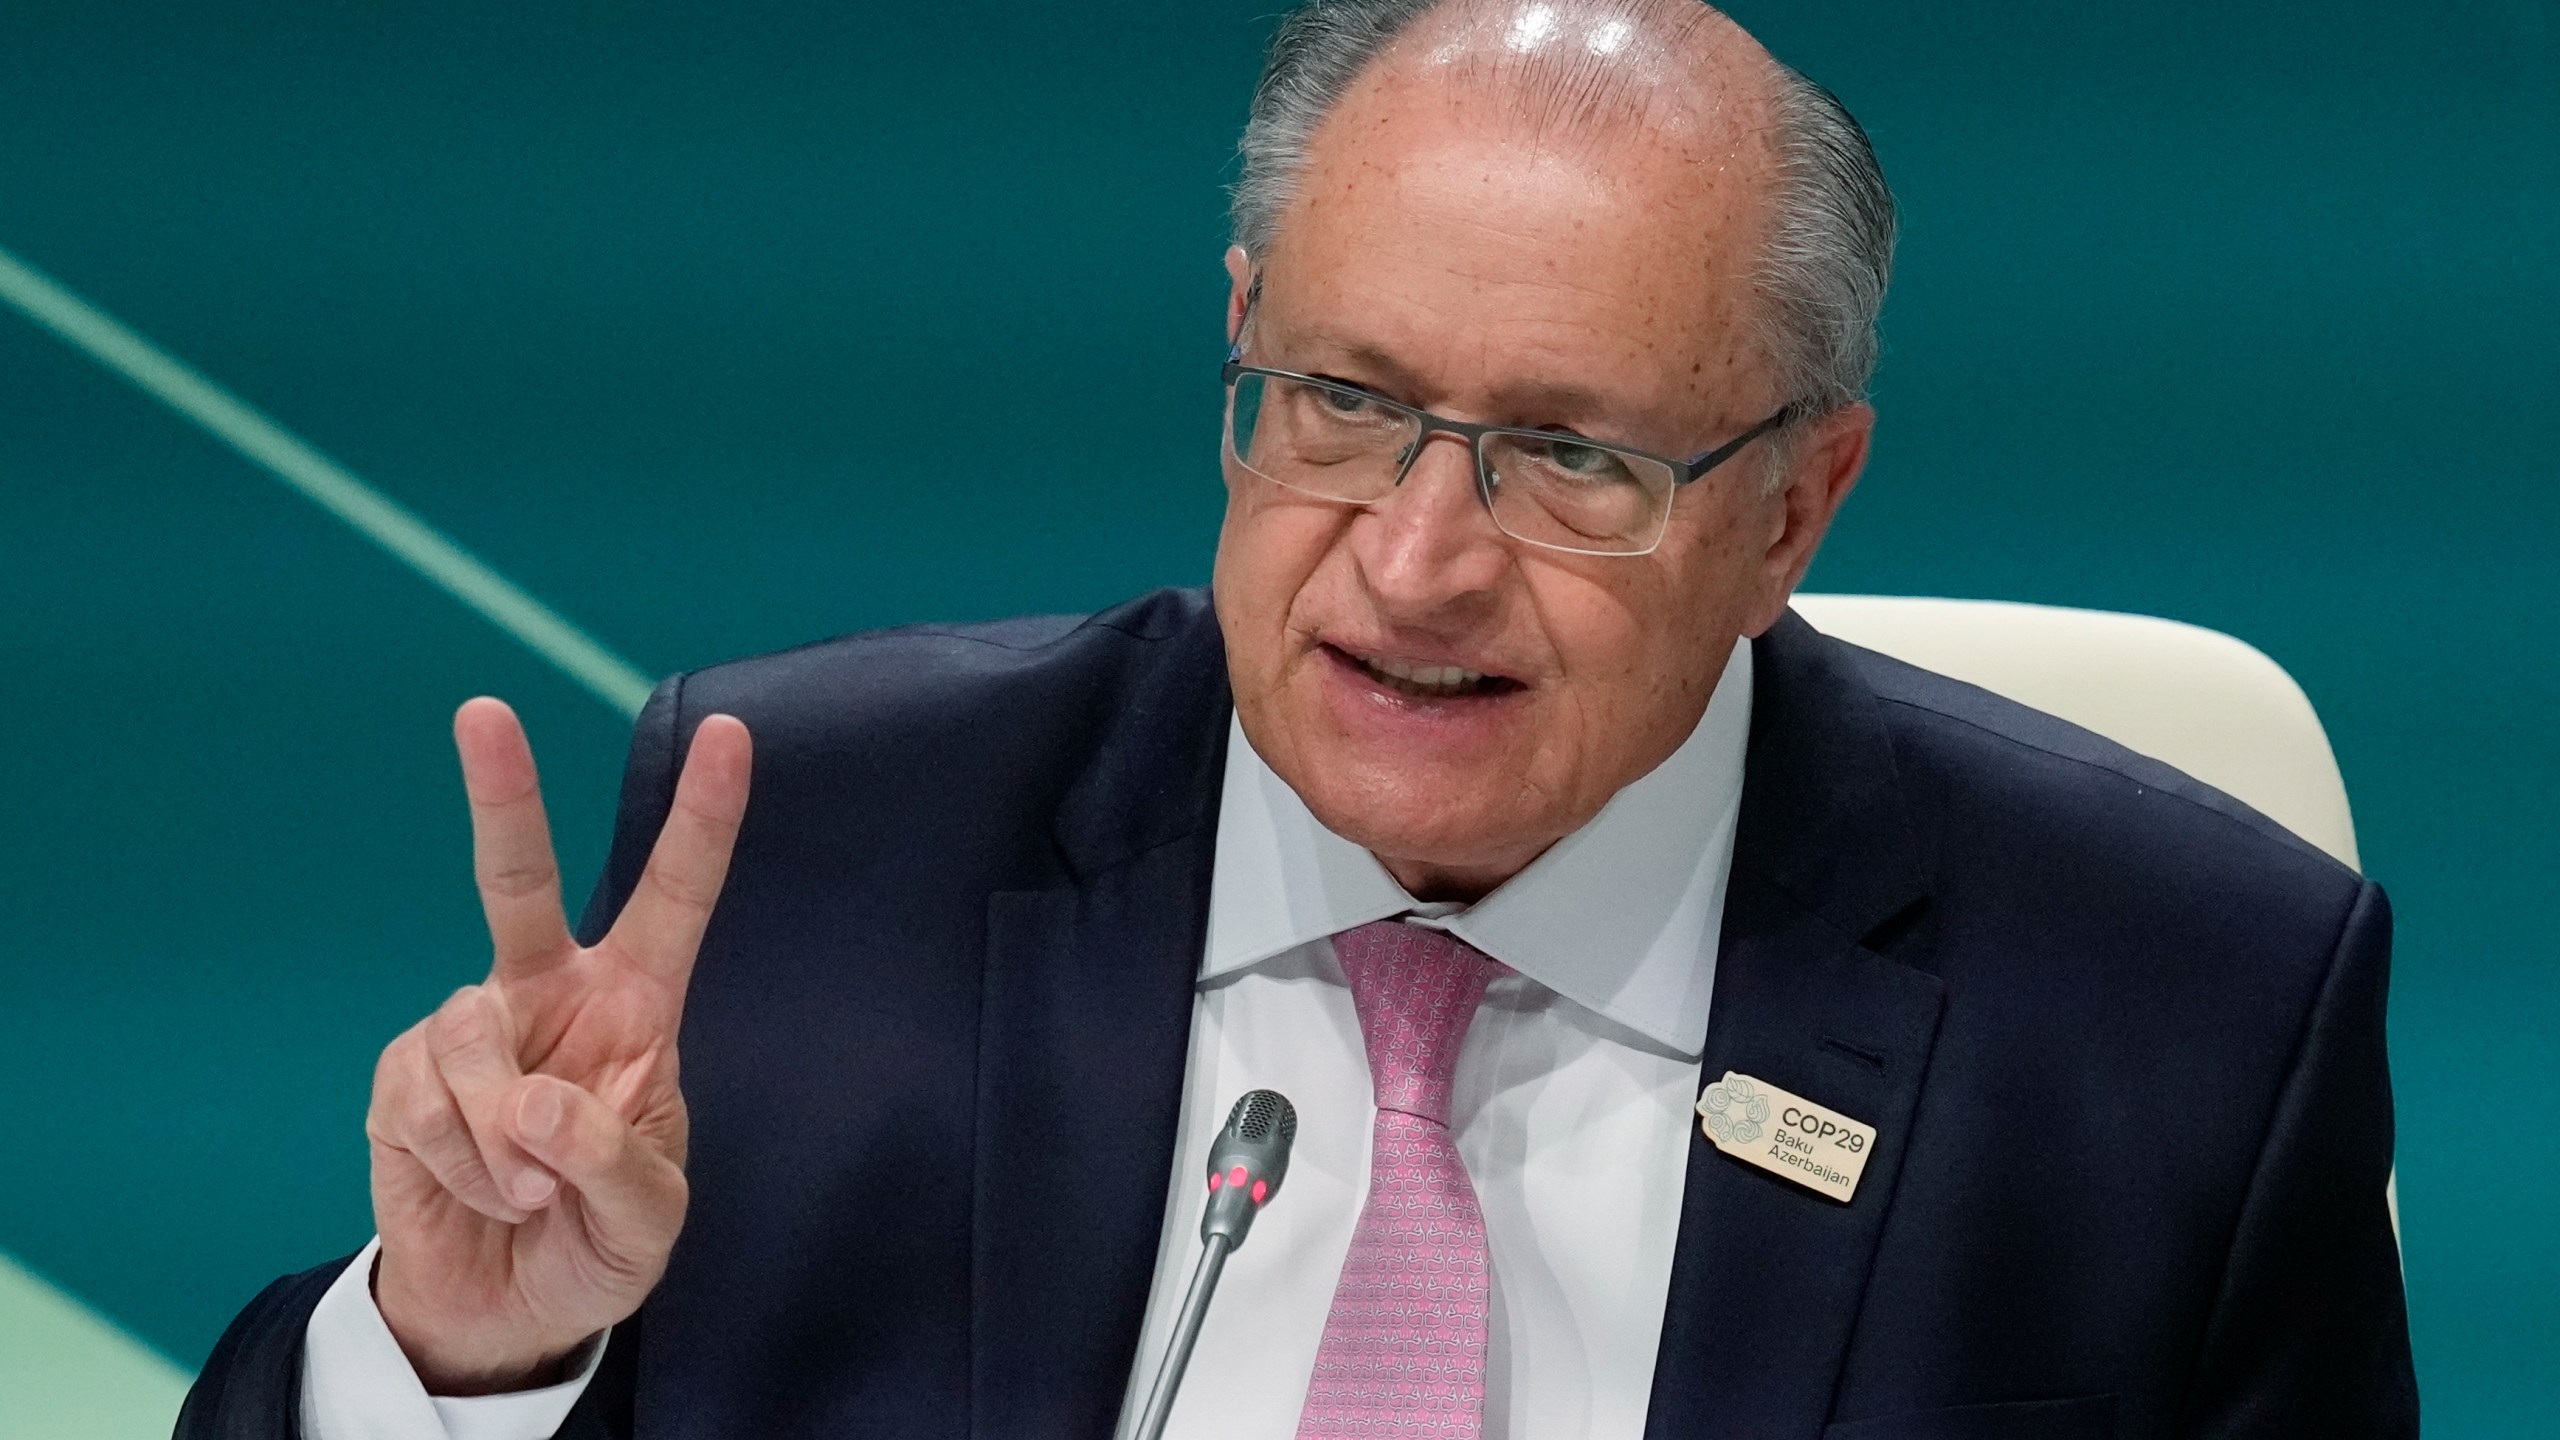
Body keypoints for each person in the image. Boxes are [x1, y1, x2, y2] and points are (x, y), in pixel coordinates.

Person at [177, 2, 2416, 1437]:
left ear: (1788, 508)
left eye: (1571, 456)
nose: (1417, 557)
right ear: (1241, 346)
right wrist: (478, 1355)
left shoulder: (2173, 1015)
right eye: (1343, 404)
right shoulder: (817, 868)